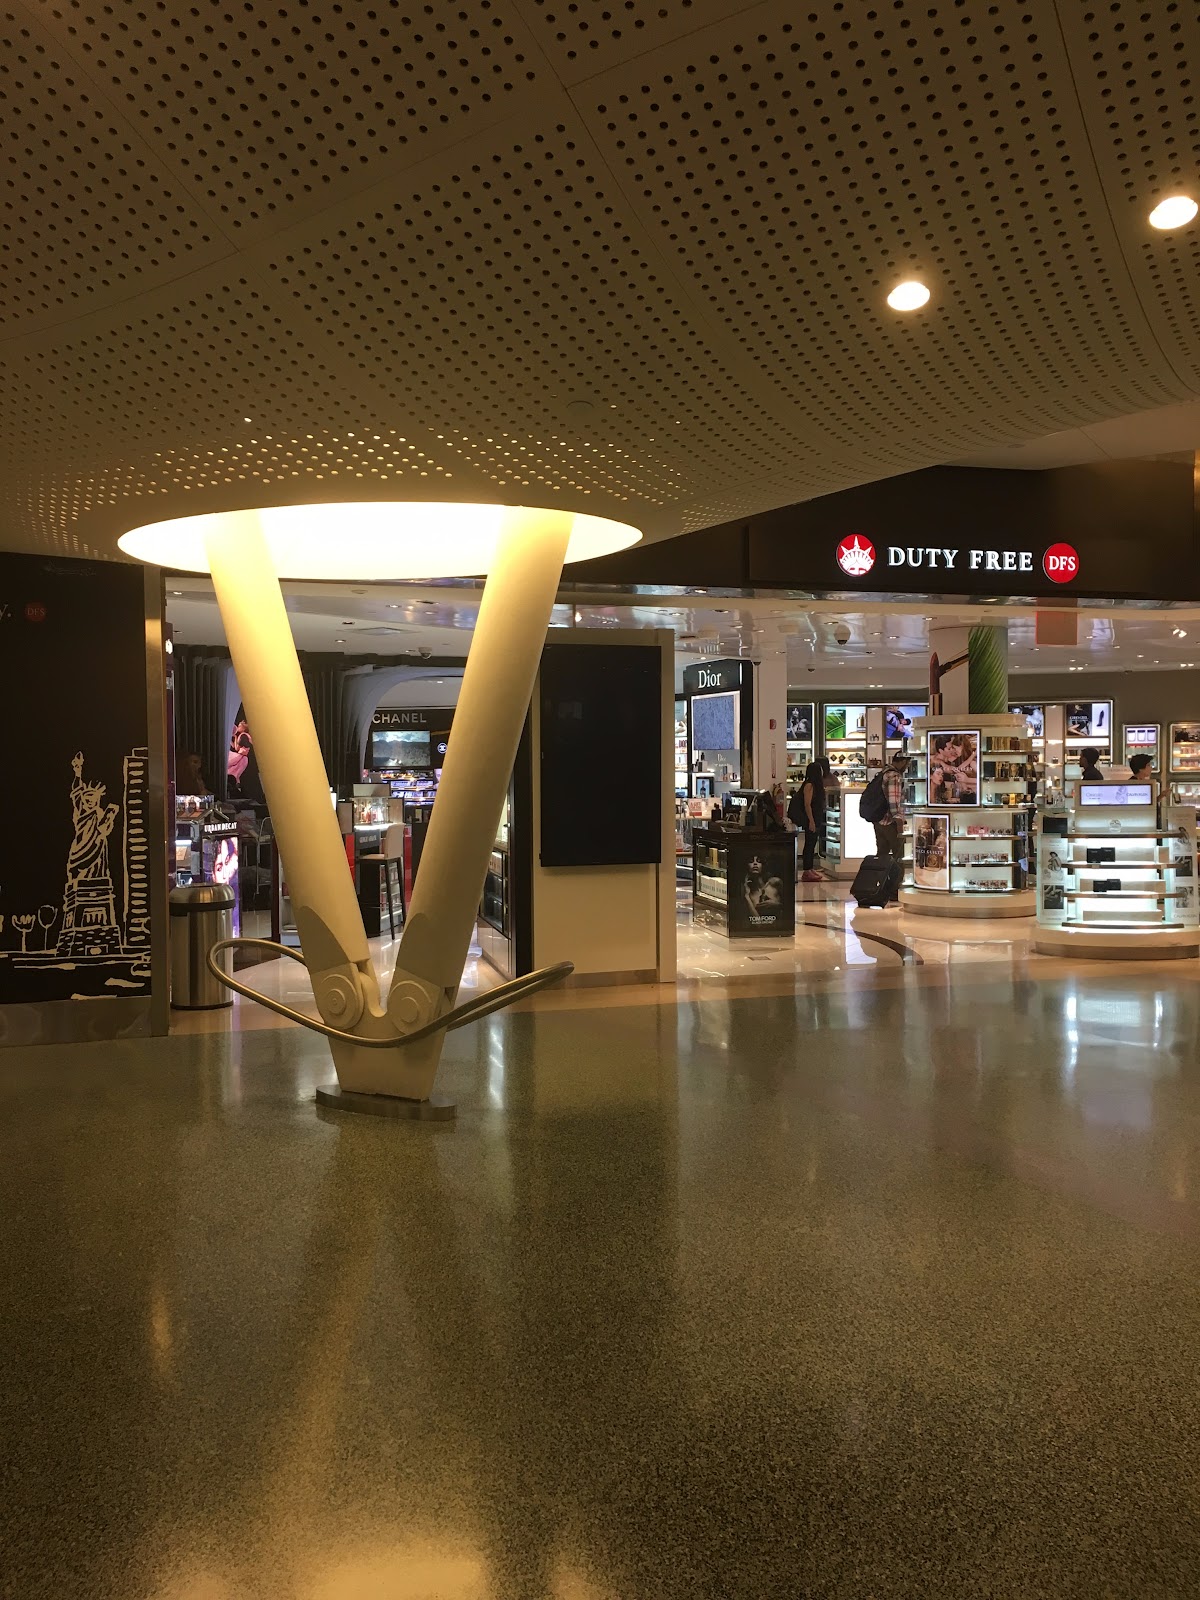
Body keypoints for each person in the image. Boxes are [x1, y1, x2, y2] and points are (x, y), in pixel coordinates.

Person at [790, 760, 826, 883]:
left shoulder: (814, 785)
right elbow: (807, 804)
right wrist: (811, 821)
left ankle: (809, 868)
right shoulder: (809, 785)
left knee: (812, 843)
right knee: (810, 844)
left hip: (815, 817)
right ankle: (807, 870)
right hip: (812, 818)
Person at [875, 751, 909, 861]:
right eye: (907, 764)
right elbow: (894, 802)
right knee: (899, 854)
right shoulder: (894, 776)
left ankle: (880, 872)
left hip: (879, 819)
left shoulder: (884, 771)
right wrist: (899, 821)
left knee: (882, 854)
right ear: (903, 762)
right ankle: (896, 873)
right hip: (890, 822)